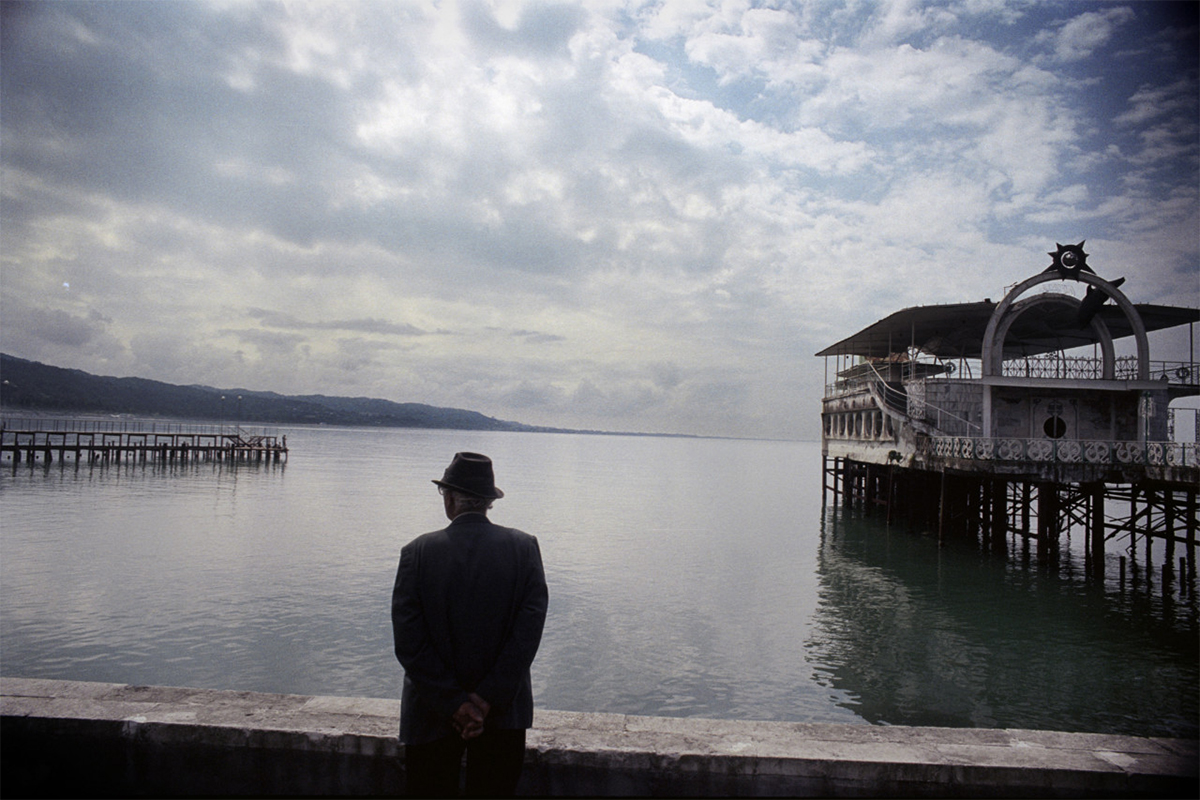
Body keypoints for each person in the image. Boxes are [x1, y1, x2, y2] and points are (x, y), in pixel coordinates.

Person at [391, 452, 549, 797]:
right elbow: (528, 634)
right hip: (503, 715)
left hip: (430, 716)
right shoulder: (525, 548)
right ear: (489, 503)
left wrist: (454, 704)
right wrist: (486, 700)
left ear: (449, 499)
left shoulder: (416, 553)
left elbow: (409, 642)